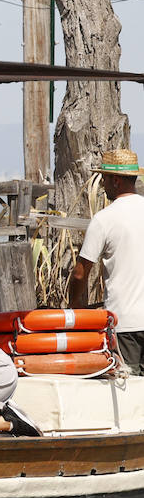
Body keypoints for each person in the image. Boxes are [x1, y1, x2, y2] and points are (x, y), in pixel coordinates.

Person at [69, 148, 144, 375]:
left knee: (128, 391)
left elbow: (81, 272)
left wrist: (76, 308)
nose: (102, 184)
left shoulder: (105, 219)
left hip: (125, 322)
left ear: (116, 180)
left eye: (104, 178)